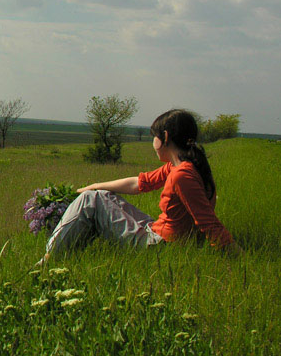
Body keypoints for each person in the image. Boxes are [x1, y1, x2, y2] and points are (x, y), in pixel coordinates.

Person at [39, 109, 241, 264]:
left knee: (90, 200)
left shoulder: (182, 175)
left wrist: (239, 257)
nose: (152, 141)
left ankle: (49, 258)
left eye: (155, 136)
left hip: (160, 247)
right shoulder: (182, 165)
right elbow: (139, 183)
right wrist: (94, 185)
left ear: (166, 137)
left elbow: (207, 222)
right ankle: (65, 251)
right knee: (100, 195)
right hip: (159, 233)